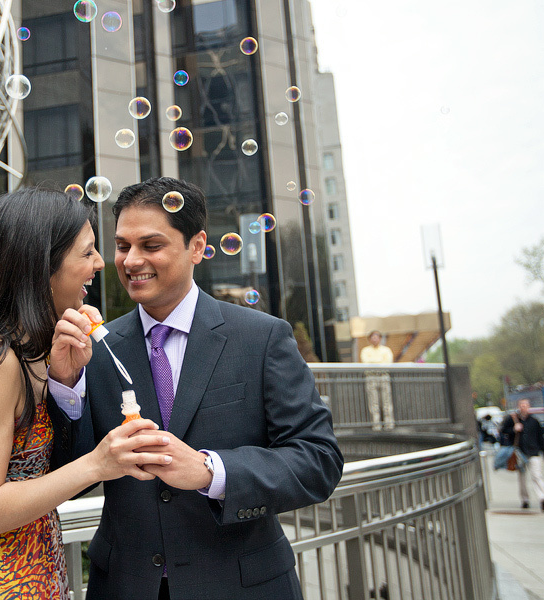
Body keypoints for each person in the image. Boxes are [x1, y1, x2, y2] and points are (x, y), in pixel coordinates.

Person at [47, 177, 344, 599]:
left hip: (242, 587)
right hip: (126, 587)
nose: (131, 261)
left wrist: (211, 471)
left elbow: (319, 460)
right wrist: (65, 385)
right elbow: (69, 476)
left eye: (150, 246)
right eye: (122, 245)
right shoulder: (96, 347)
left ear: (197, 246)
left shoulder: (261, 338)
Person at [0, 189, 172, 599]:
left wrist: (66, 379)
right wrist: (98, 463)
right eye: (86, 253)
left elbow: (42, 467)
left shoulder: (34, 350)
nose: (100, 264)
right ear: (42, 266)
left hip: (35, 571)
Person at [499, 399, 544, 510]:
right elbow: (503, 430)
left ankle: (542, 498)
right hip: (519, 452)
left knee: (536, 476)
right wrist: (514, 429)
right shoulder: (513, 419)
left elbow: (540, 438)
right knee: (522, 478)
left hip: (533, 452)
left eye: (525, 405)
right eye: (521, 405)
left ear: (528, 407)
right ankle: (525, 500)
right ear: (519, 407)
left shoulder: (534, 421)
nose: (523, 407)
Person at [359, 330, 395, 430]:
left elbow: (388, 364)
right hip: (371, 377)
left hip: (384, 376)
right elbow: (365, 363)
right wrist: (380, 362)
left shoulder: (386, 350)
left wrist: (373, 363)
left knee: (387, 401)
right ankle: (376, 425)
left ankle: (389, 424)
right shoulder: (365, 350)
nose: (375, 339)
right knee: (373, 402)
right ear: (369, 339)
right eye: (372, 337)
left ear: (380, 338)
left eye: (377, 337)